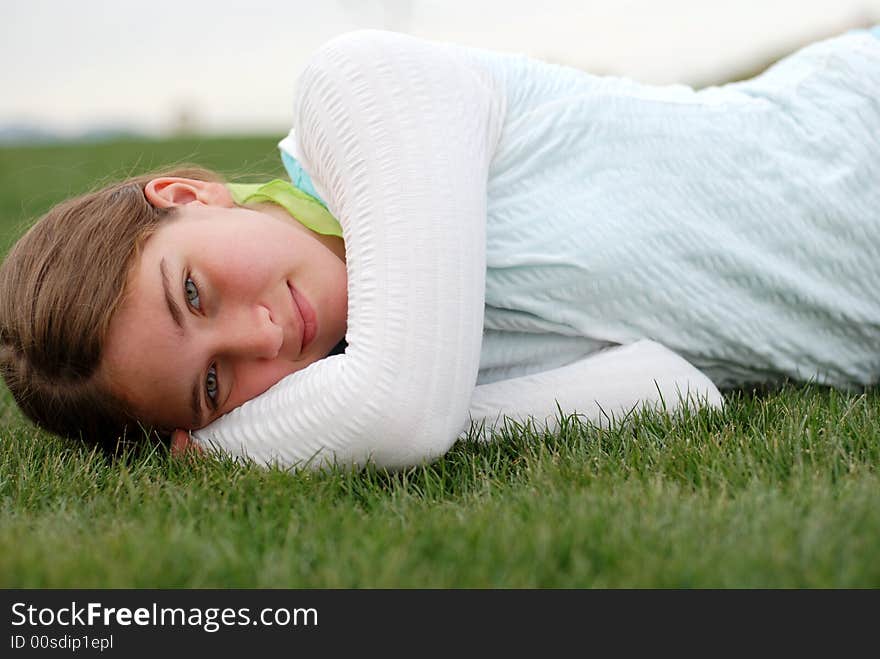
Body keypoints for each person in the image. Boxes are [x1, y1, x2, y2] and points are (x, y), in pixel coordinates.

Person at [1, 27, 878, 470]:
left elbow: (402, 411)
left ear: (186, 196)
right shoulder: (408, 354)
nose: (262, 336)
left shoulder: (359, 93)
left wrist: (223, 445)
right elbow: (672, 389)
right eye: (215, 384)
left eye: (192, 293)